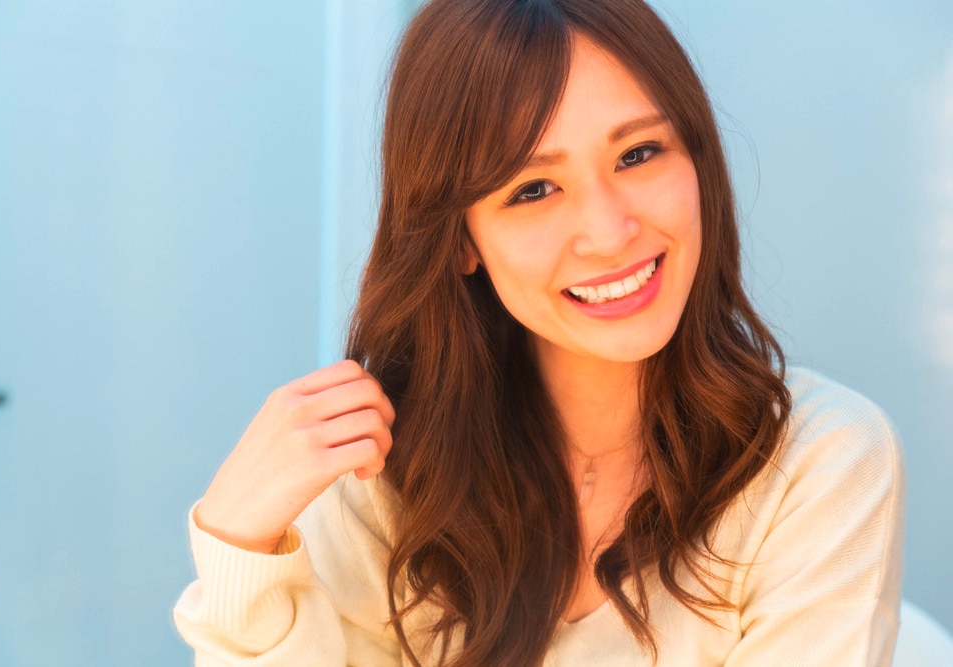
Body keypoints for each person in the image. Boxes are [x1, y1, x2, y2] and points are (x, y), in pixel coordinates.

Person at [173, 0, 905, 664]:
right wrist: (237, 544)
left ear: (698, 161)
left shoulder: (818, 463)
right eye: (533, 189)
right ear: (460, 238)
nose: (610, 230)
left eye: (639, 153)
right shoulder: (378, 479)